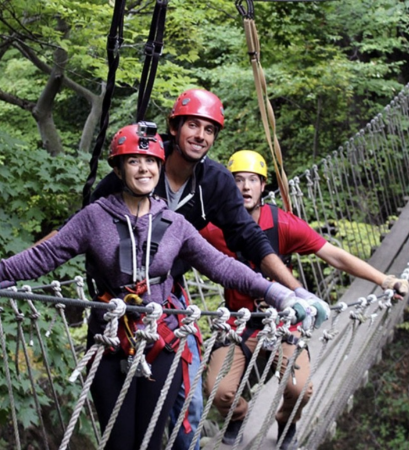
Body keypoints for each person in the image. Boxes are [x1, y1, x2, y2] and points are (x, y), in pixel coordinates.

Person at [0, 125, 318, 450]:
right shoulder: (94, 217)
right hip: (109, 340)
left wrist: (280, 293)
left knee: (151, 440)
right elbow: (43, 256)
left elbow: (222, 266)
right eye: (133, 161)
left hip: (159, 341)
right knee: (119, 441)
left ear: (160, 166)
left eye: (151, 161)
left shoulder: (174, 224)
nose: (144, 169)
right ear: (119, 170)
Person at [88, 89, 308, 450]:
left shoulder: (215, 182)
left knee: (185, 403)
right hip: (116, 308)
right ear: (174, 128)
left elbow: (245, 241)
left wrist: (292, 291)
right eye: (192, 125)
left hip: (167, 303)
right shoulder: (137, 165)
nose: (200, 136)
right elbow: (79, 230)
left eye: (209, 129)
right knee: (123, 431)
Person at [200, 150, 409, 449]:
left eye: (252, 180)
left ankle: (286, 422)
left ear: (263, 186)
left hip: (285, 321)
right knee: (219, 391)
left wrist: (384, 280)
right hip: (240, 322)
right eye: (237, 180)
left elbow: (333, 254)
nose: (245, 187)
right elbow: (180, 242)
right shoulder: (214, 227)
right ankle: (237, 417)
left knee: (299, 390)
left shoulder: (282, 223)